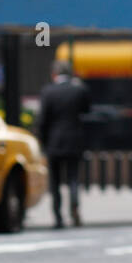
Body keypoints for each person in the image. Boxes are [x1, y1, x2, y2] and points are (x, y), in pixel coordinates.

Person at [38, 61, 89, 228]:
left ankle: (58, 217)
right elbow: (86, 111)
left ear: (54, 74)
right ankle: (74, 206)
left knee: (55, 182)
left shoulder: (48, 92)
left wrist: (43, 142)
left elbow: (42, 121)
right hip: (75, 140)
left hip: (54, 142)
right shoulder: (79, 90)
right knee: (73, 177)